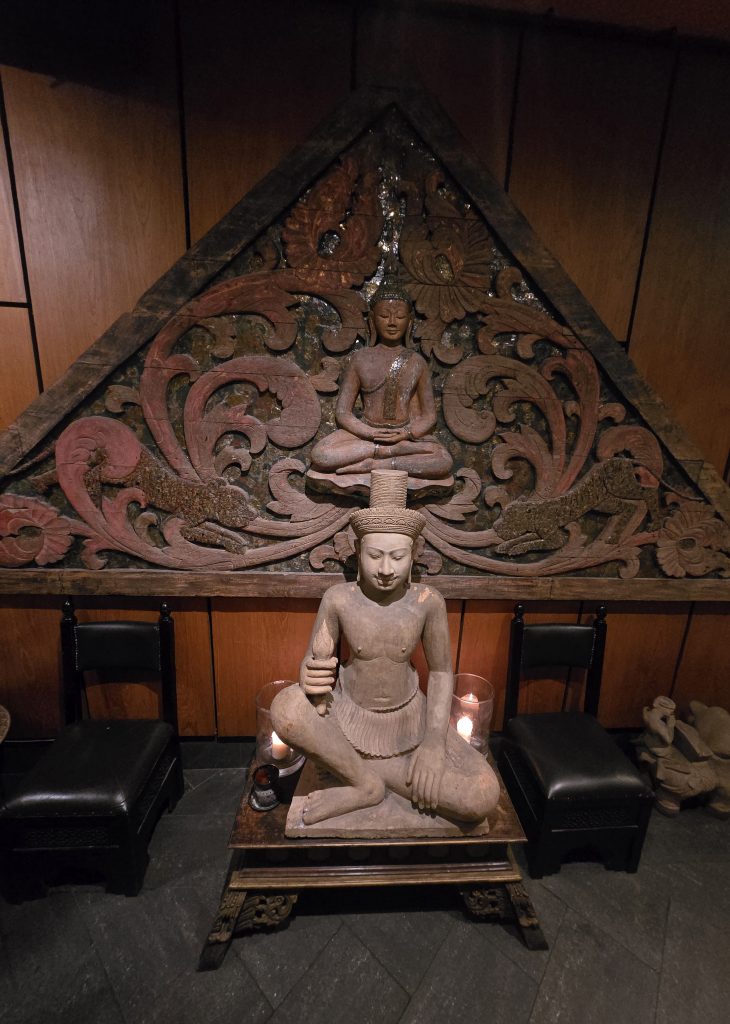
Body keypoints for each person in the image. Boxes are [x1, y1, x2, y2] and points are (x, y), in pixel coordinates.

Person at [270, 470, 499, 828]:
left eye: (398, 557)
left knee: (482, 795)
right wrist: (309, 674)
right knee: (285, 708)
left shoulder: (427, 602)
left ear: (413, 556)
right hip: (346, 714)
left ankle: (356, 771)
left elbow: (440, 672)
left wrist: (434, 745)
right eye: (375, 556)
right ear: (359, 552)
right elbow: (317, 660)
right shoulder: (338, 599)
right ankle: (365, 785)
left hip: (409, 721)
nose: (386, 570)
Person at [309, 277, 453, 482]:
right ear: (372, 320)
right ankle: (384, 455)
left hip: (403, 437)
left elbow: (429, 416)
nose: (392, 322)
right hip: (366, 436)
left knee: (443, 461)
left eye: (400, 317)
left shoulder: (416, 361)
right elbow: (343, 413)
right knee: (321, 454)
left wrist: (405, 434)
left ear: (409, 322)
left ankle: (376, 463)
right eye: (385, 316)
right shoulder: (360, 358)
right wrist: (370, 434)